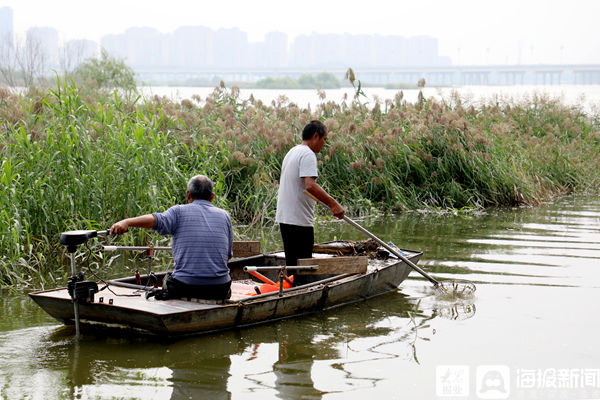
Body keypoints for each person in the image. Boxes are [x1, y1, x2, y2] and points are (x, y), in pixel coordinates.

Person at [110, 175, 233, 300]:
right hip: (220, 289)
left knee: (167, 281)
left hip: (185, 287)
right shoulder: (224, 216)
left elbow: (156, 220)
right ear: (212, 197)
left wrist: (126, 222)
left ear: (188, 195)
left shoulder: (178, 212)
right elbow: (227, 257)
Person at [275, 120, 345, 278]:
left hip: (286, 218)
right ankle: (301, 294)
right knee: (303, 268)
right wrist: (333, 204)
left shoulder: (292, 151)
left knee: (293, 267)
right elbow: (310, 185)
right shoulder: (308, 154)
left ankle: (293, 292)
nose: (325, 144)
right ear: (315, 136)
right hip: (299, 221)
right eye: (324, 139)